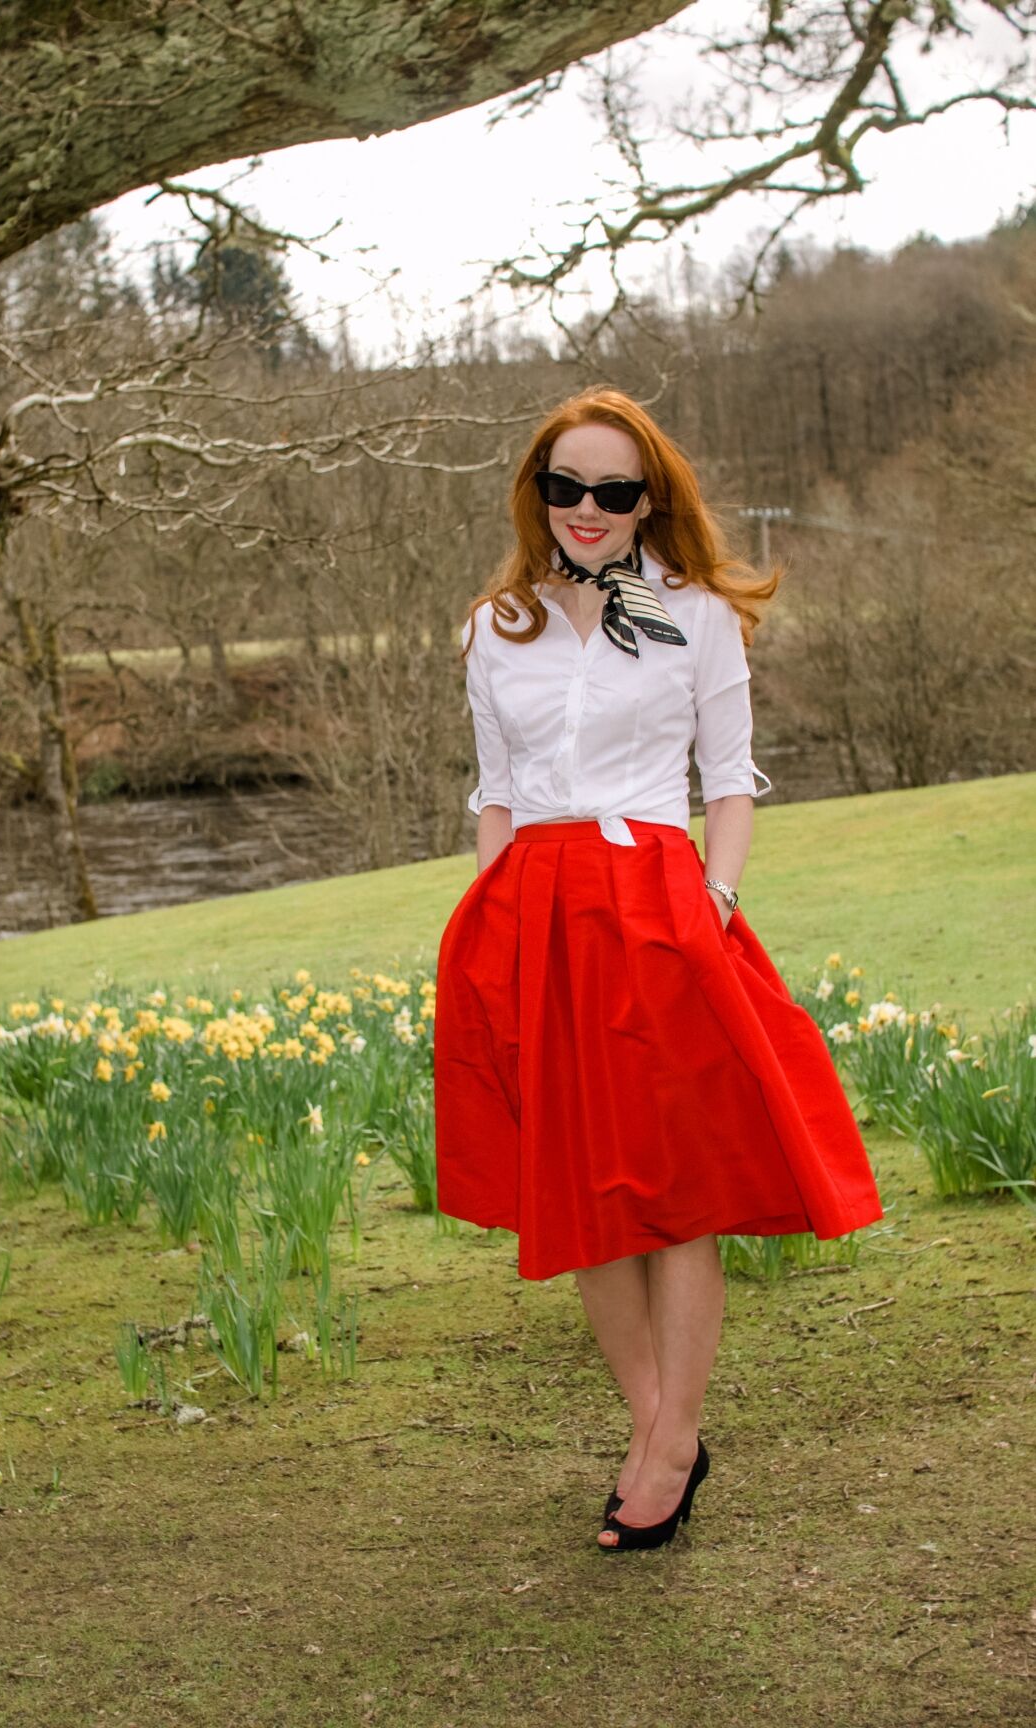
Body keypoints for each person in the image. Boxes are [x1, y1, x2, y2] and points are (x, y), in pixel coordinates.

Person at [432, 386, 884, 1554]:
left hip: (659, 909)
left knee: (672, 1191)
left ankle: (671, 1443)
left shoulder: (696, 615)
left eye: (614, 490)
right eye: (566, 486)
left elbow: (729, 780)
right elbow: (495, 792)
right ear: (538, 495)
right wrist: (490, 919)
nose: (588, 509)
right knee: (582, 1193)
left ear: (649, 501)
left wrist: (714, 904)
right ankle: (659, 1431)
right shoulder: (497, 626)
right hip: (534, 914)